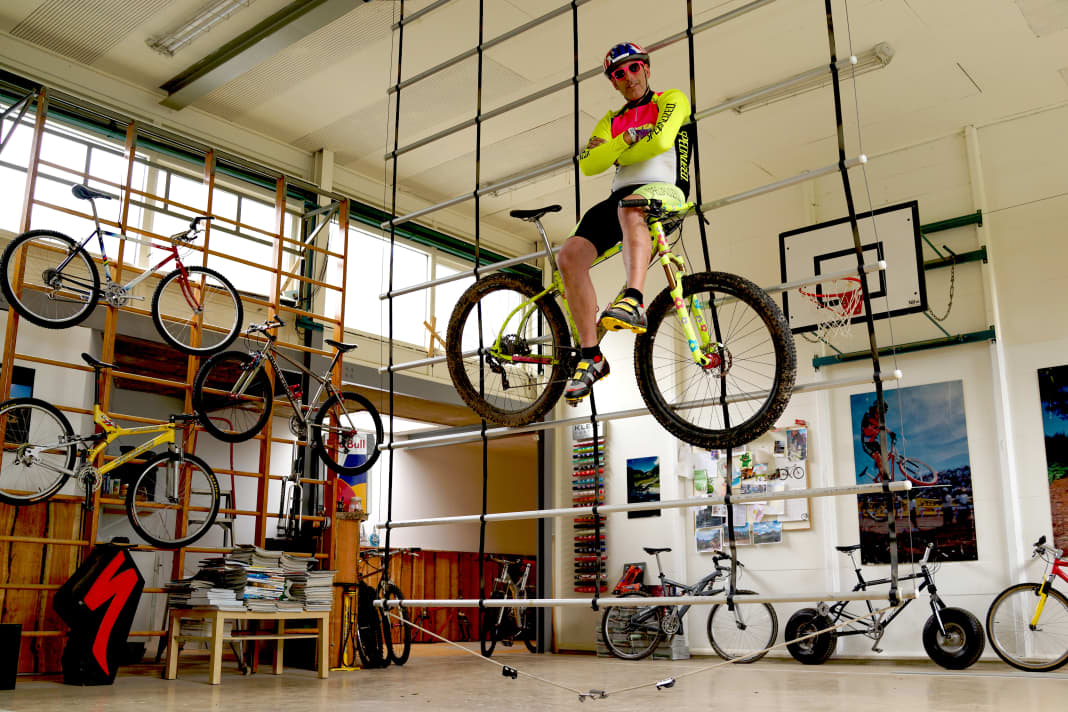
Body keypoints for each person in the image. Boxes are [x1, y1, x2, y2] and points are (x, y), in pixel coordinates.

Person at [558, 41, 693, 403]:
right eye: (619, 74)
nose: (628, 77)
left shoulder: (671, 99)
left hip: (665, 192)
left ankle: (633, 298)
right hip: (619, 199)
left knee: (631, 207)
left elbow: (662, 139)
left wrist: (617, 147)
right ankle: (591, 356)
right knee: (569, 256)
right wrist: (630, 137)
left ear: (646, 68)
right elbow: (589, 163)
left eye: (634, 68)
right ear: (613, 82)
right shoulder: (611, 118)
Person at [859, 400, 895, 478]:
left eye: (884, 411)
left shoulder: (880, 417)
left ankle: (881, 470)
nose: (883, 413)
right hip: (867, 443)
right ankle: (884, 480)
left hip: (875, 442)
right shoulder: (869, 414)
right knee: (878, 457)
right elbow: (877, 424)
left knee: (885, 455)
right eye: (880, 409)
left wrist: (891, 433)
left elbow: (882, 426)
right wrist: (888, 431)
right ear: (876, 408)